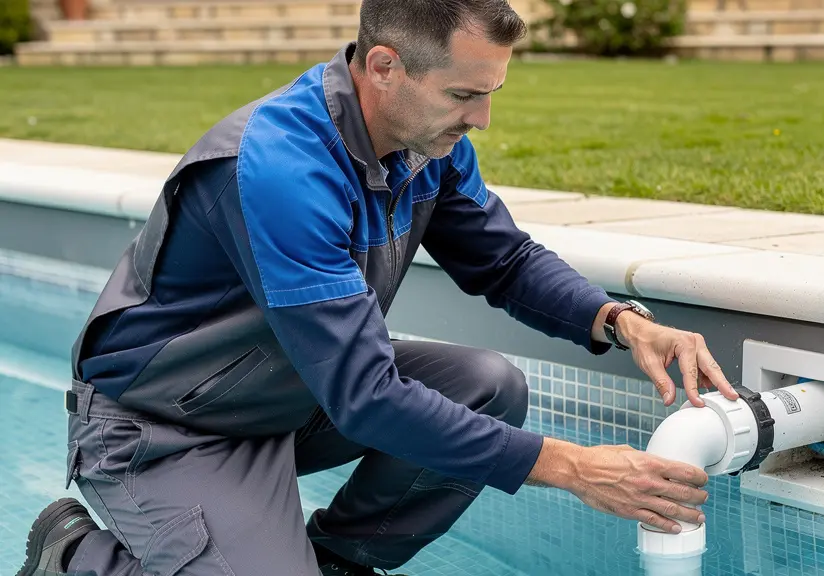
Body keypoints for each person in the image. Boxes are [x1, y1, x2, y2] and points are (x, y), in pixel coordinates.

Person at [18, 1, 738, 575]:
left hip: (293, 394)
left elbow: (506, 261)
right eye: (464, 94)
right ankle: (76, 556)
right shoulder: (279, 168)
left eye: (490, 93)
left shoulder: (427, 145)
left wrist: (619, 319)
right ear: (385, 66)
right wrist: (574, 467)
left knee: (487, 386)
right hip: (163, 426)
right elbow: (365, 397)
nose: (481, 118)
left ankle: (337, 563)